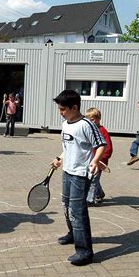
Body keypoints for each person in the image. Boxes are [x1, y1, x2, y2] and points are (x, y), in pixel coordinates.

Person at [50, 90, 106, 266]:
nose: (61, 112)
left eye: (63, 109)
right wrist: (59, 159)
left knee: (77, 211)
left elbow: (101, 145)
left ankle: (85, 252)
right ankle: (73, 234)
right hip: (67, 171)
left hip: (81, 174)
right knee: (66, 205)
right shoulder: (65, 124)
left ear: (74, 107)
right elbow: (68, 147)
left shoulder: (86, 124)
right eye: (59, 109)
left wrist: (95, 161)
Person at [85, 107, 113, 205]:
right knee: (91, 178)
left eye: (92, 119)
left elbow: (108, 148)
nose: (91, 122)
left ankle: (89, 199)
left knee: (93, 180)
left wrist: (102, 159)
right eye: (89, 120)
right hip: (89, 159)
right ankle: (99, 193)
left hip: (99, 161)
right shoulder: (89, 130)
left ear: (98, 118)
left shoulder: (103, 131)